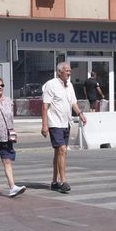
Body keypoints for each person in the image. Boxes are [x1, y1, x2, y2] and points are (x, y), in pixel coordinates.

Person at [41, 61, 87, 193]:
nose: (69, 72)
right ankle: (63, 181)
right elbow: (45, 106)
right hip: (54, 123)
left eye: (70, 70)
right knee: (62, 150)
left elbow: (73, 102)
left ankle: (55, 181)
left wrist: (80, 114)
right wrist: (44, 125)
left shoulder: (69, 85)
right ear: (59, 71)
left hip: (66, 122)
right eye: (67, 70)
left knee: (59, 152)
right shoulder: (51, 85)